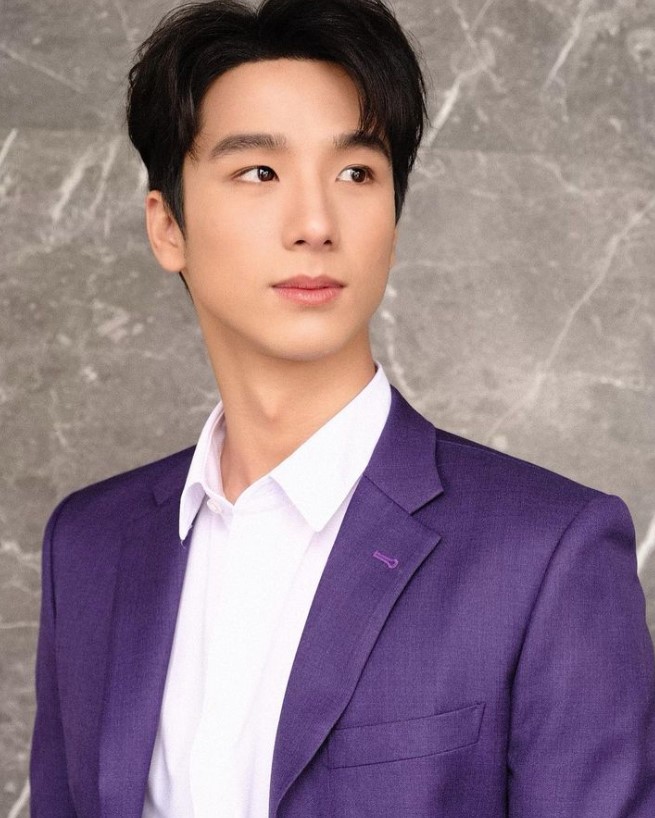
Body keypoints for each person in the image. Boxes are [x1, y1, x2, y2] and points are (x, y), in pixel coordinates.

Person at [29, 0, 655, 816]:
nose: (315, 223)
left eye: (355, 173)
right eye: (259, 172)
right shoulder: (90, 545)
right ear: (167, 227)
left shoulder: (545, 553)